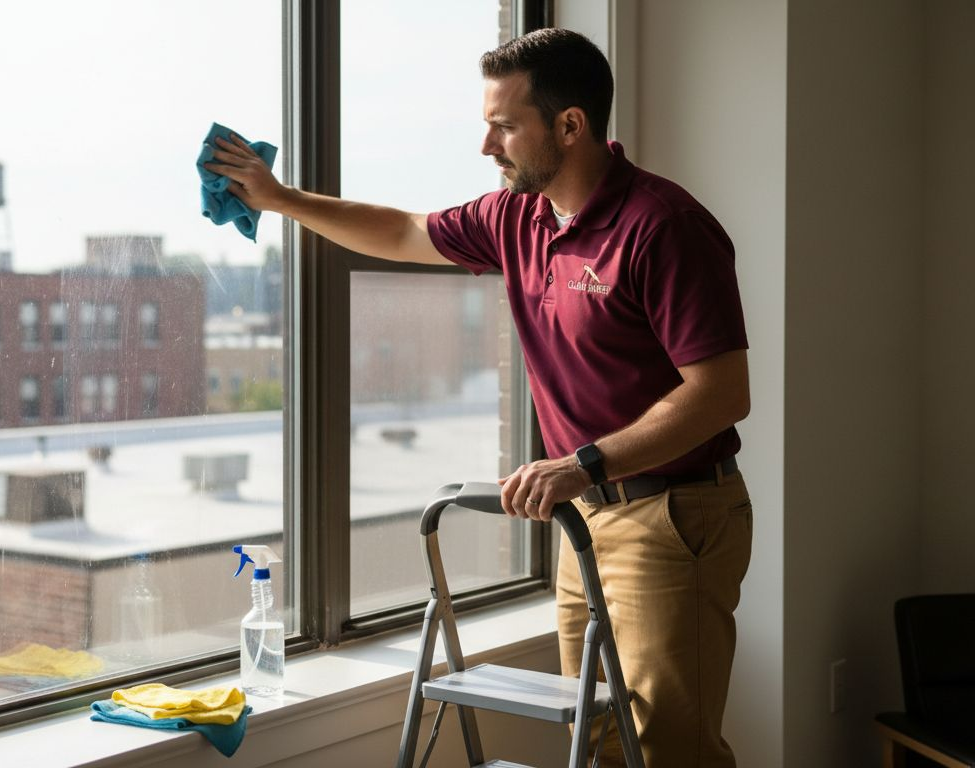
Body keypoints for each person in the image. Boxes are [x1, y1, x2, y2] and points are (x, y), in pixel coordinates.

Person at [204, 26, 752, 768]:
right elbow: (400, 231)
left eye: (504, 126)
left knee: (666, 752)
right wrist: (280, 198)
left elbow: (720, 395)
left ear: (569, 125)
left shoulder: (663, 226)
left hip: (671, 512)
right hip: (586, 513)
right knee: (596, 741)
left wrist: (581, 463)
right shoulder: (518, 219)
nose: (487, 146)